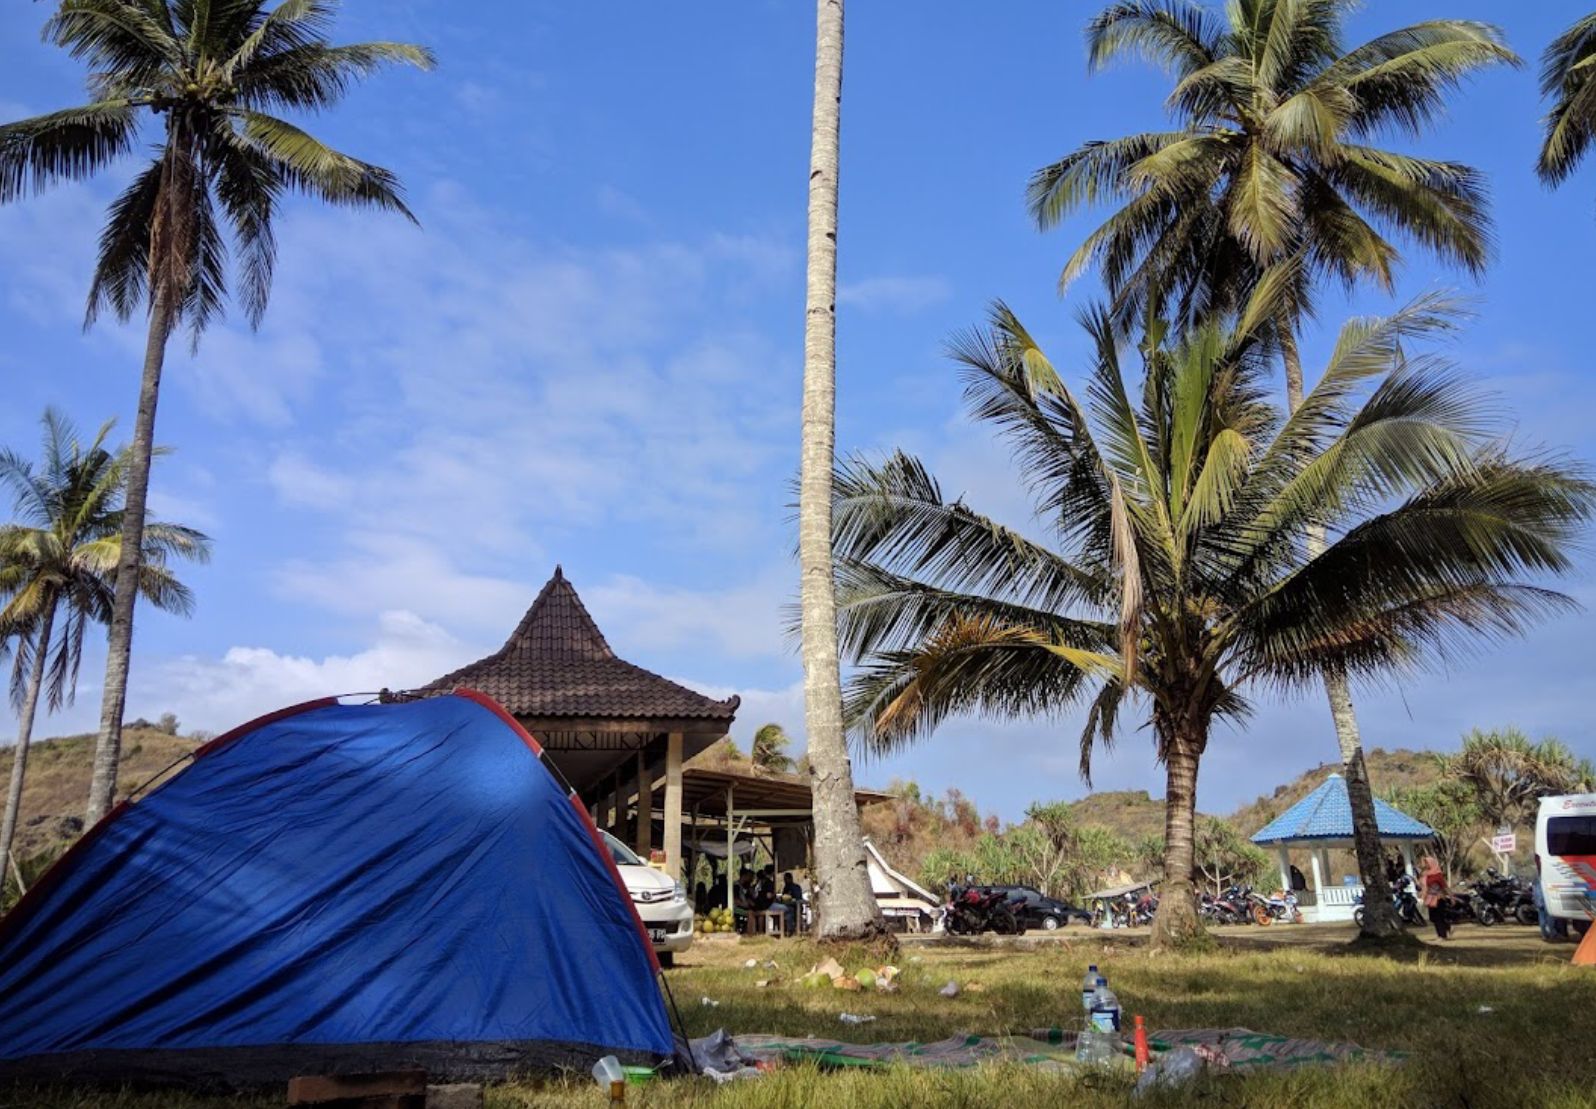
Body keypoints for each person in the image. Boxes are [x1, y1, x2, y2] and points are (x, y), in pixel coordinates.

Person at [1420, 855, 1453, 939]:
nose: (1426, 865)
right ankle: (1447, 927)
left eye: (1427, 863)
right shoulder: (1426, 875)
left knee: (1439, 917)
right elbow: (1424, 886)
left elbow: (1445, 887)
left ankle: (1442, 935)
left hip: (1439, 898)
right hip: (1430, 898)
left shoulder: (1438, 875)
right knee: (1432, 917)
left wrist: (1451, 897)